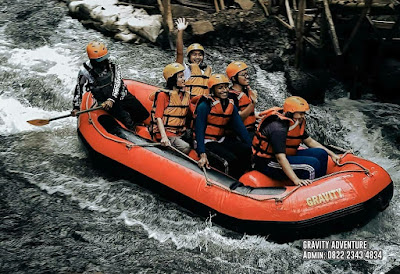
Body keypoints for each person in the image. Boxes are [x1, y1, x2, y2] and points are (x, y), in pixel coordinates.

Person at [252, 96, 341, 186]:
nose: (303, 116)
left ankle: (322, 185)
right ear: (291, 112)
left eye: (303, 113)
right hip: (268, 162)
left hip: (286, 155)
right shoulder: (278, 128)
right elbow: (280, 158)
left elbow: (309, 142)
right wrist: (296, 180)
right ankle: (311, 192)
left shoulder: (296, 122)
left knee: (321, 153)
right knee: (312, 165)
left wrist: (332, 154)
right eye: (301, 113)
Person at [72, 41, 149, 130]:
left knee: (142, 113)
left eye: (105, 58)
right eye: (101, 60)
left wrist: (112, 98)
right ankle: (132, 131)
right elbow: (79, 89)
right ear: (93, 60)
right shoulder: (84, 71)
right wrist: (76, 107)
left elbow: (118, 80)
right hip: (105, 102)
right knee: (126, 118)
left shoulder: (112, 61)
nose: (104, 62)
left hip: (120, 94)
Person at [194, 74, 252, 179]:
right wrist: (202, 153)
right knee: (231, 159)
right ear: (213, 90)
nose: (224, 90)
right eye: (220, 88)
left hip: (221, 139)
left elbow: (240, 128)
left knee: (246, 150)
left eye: (225, 87)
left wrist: (251, 147)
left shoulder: (230, 104)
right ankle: (233, 181)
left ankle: (246, 177)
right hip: (207, 141)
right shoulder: (205, 106)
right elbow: (199, 130)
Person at [150, 63, 191, 154]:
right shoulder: (163, 95)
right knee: (186, 147)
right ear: (173, 80)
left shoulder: (184, 95)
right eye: (180, 77)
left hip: (179, 131)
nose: (184, 79)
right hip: (166, 133)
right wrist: (164, 137)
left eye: (183, 76)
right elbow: (158, 117)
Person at [175, 18, 212, 98]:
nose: (197, 57)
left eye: (200, 55)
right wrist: (180, 31)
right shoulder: (184, 70)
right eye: (194, 54)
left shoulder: (204, 73)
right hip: (188, 102)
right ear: (189, 57)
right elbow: (179, 53)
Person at [226, 61, 261, 139]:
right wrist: (252, 103)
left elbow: (247, 110)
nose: (247, 77)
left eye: (247, 74)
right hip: (239, 134)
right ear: (234, 78)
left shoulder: (247, 91)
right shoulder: (230, 96)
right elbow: (238, 119)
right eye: (243, 75)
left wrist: (257, 115)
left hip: (251, 129)